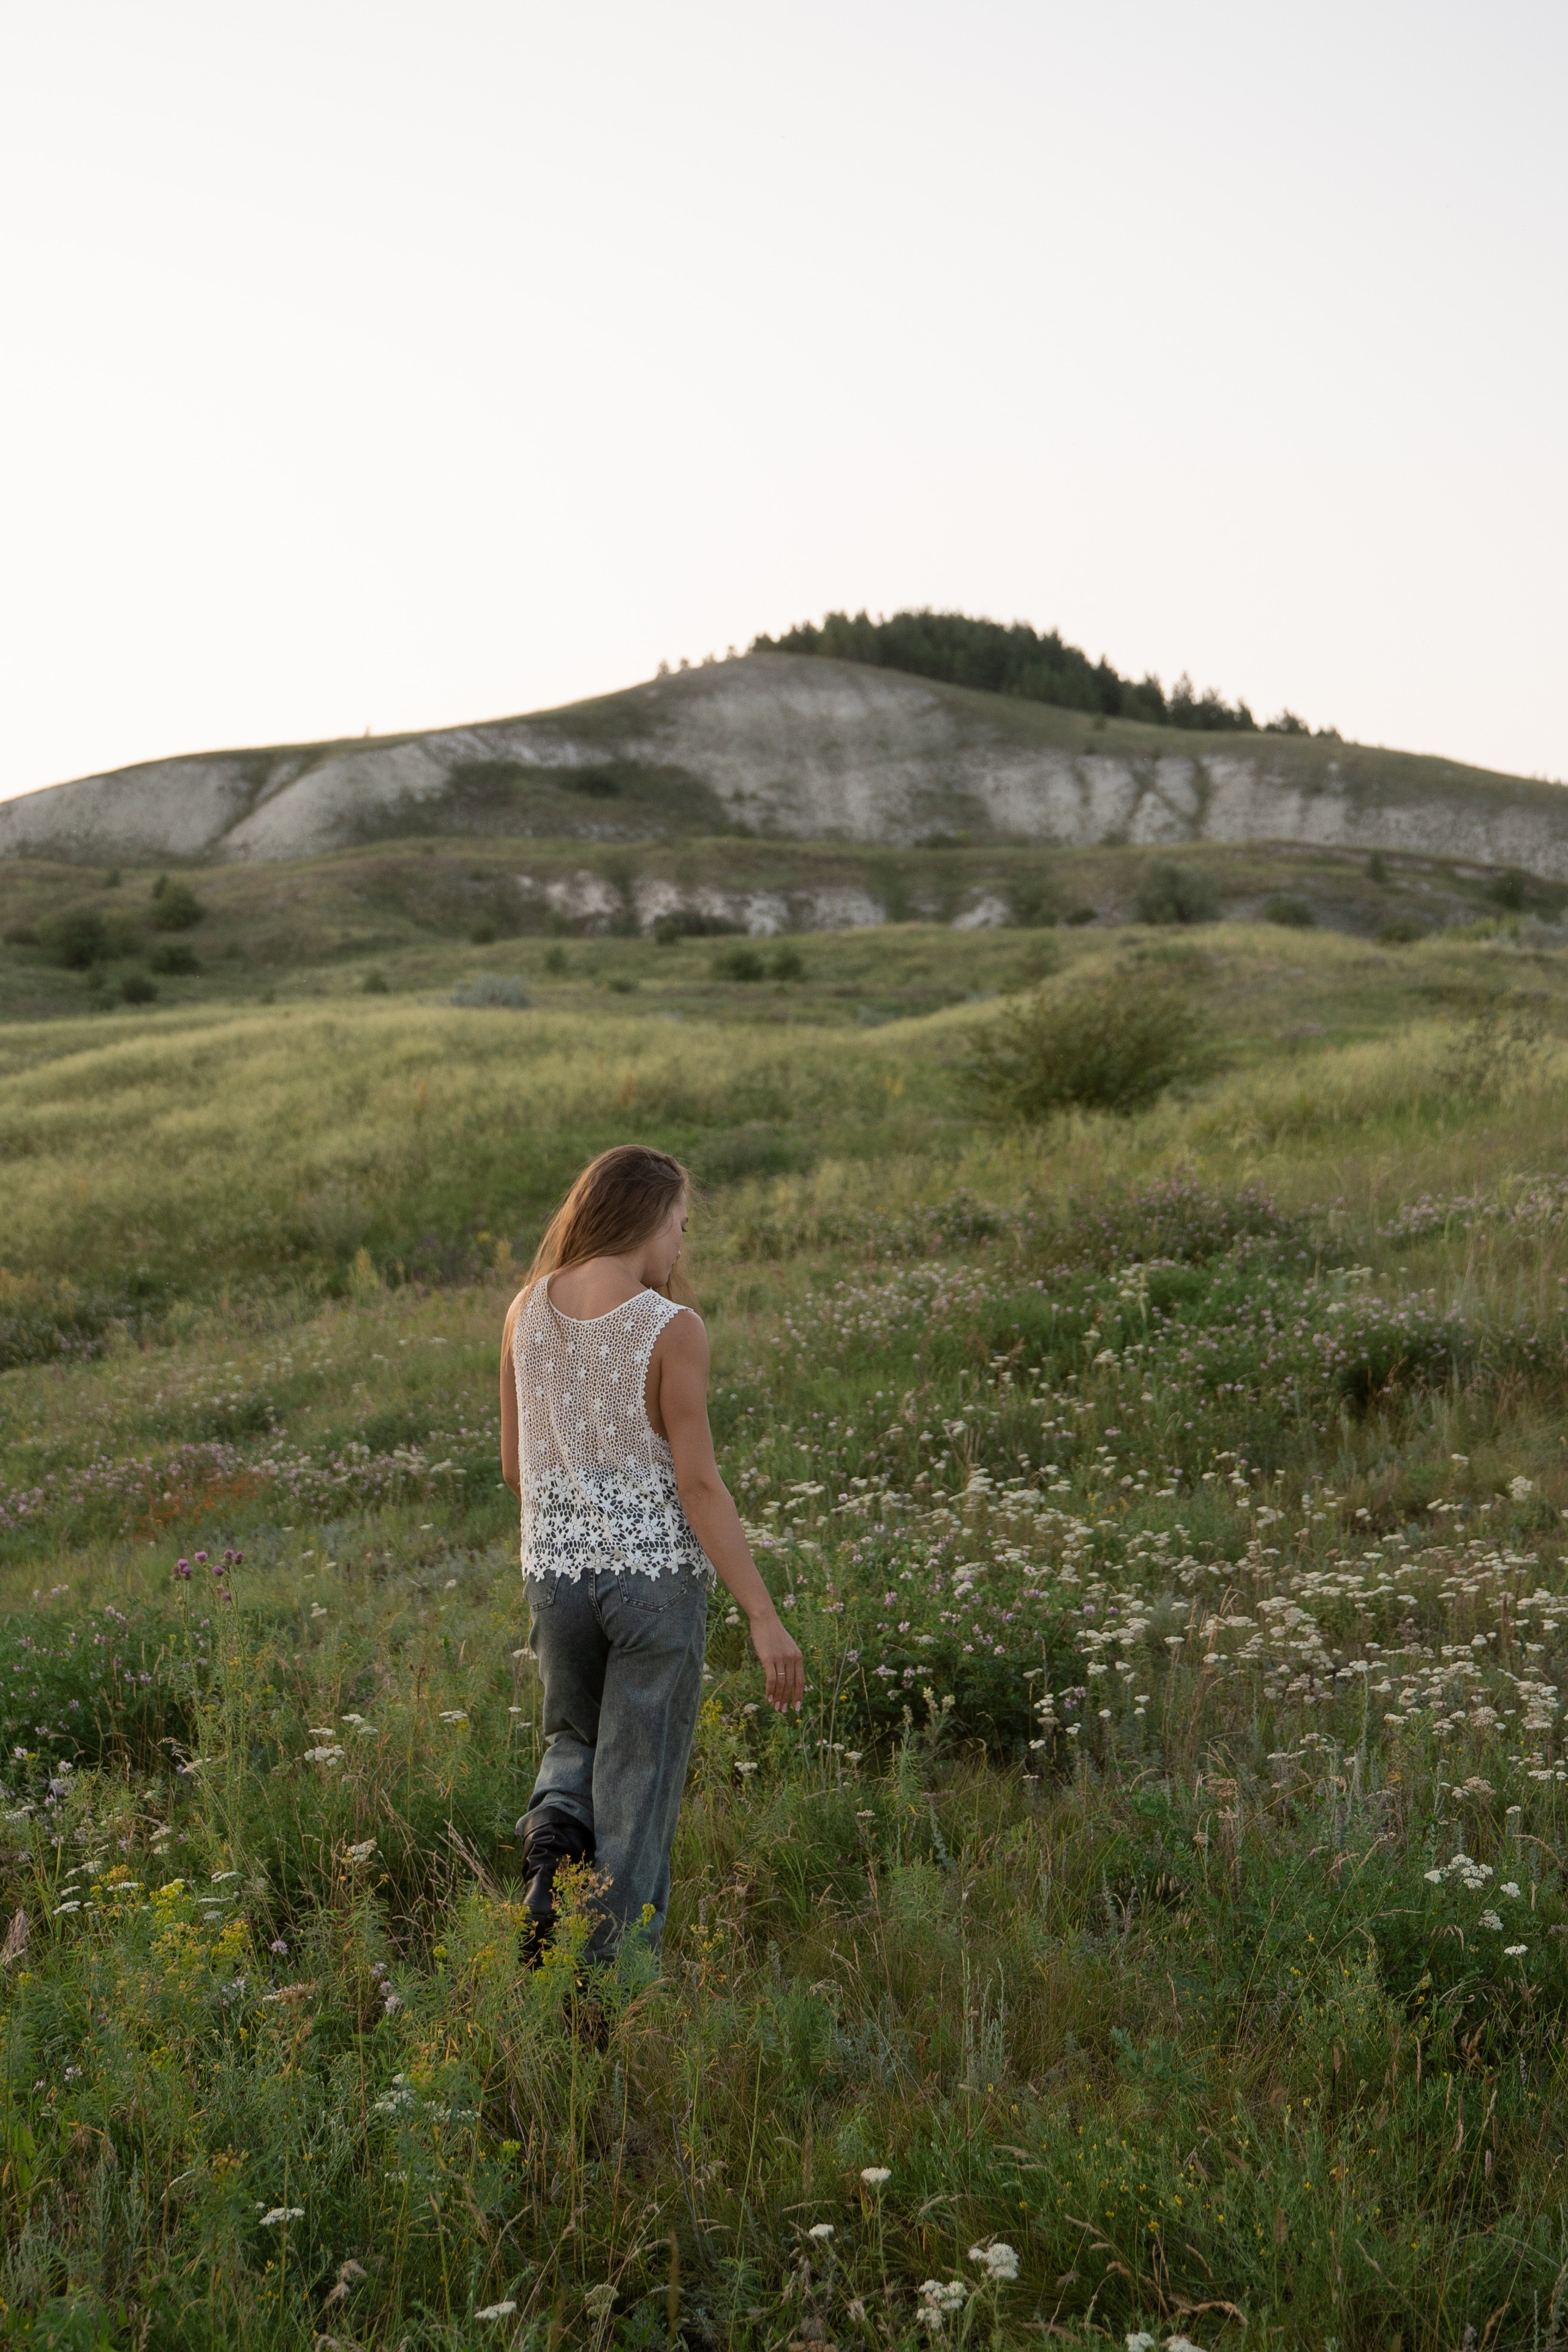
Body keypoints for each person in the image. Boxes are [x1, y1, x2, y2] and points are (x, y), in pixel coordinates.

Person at [499, 1144, 803, 1961]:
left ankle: (552, 1849)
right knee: (637, 1788)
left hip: (554, 1578)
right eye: (681, 1225)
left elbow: (514, 1467)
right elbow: (699, 1488)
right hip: (652, 1583)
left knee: (573, 1740)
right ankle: (610, 1988)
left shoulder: (525, 1310)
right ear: (648, 1218)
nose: (681, 1245)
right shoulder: (670, 1327)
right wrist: (763, 1616)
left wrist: (578, 1527)